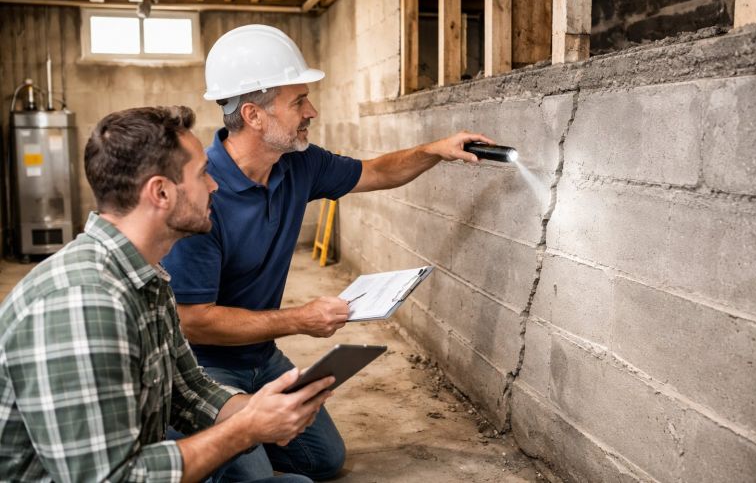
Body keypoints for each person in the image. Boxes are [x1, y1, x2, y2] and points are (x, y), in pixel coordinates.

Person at [161, 25, 493, 481]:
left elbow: (374, 171)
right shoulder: (202, 195)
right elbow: (193, 320)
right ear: (255, 115)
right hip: (205, 368)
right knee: (254, 476)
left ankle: (242, 443)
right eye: (298, 101)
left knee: (324, 461)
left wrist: (435, 150)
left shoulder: (299, 162)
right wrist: (300, 319)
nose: (311, 111)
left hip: (261, 357)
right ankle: (192, 438)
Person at [0, 106, 335, 483]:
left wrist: (260, 407)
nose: (214, 186)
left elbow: (187, 390)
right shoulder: (82, 301)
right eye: (203, 174)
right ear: (160, 192)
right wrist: (247, 429)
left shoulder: (146, 276)